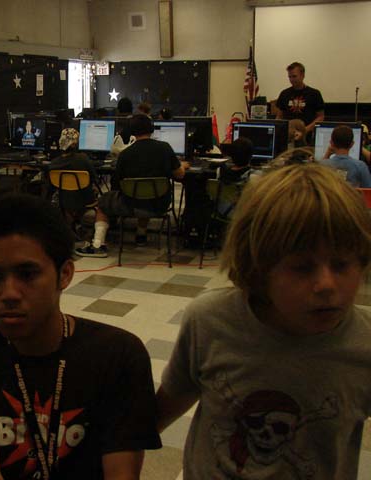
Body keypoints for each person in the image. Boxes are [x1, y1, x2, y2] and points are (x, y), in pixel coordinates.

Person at [155, 163, 371, 478]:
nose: (326, 284)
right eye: (302, 267)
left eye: (341, 265)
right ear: (258, 267)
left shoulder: (364, 345)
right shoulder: (210, 321)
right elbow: (168, 403)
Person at [0, 193, 160, 480]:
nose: (9, 293)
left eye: (27, 274)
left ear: (64, 274)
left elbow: (121, 473)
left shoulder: (118, 356)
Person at [76, 114, 186, 257]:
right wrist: (182, 166)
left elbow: (116, 185)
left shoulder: (125, 154)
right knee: (147, 192)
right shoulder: (165, 148)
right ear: (152, 129)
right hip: (160, 204)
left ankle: (97, 244)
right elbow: (180, 175)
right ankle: (141, 234)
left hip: (130, 205)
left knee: (103, 201)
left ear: (132, 131)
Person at [46, 128, 98, 228]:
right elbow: (94, 179)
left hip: (62, 200)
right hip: (84, 200)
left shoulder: (53, 163)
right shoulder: (83, 159)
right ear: (76, 144)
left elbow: (51, 186)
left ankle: (68, 220)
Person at [275, 62, 325, 140]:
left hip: (308, 136)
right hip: (288, 137)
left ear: (303, 75)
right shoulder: (284, 94)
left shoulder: (314, 94)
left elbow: (320, 117)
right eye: (289, 77)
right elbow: (279, 116)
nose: (292, 79)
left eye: (294, 76)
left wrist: (305, 130)